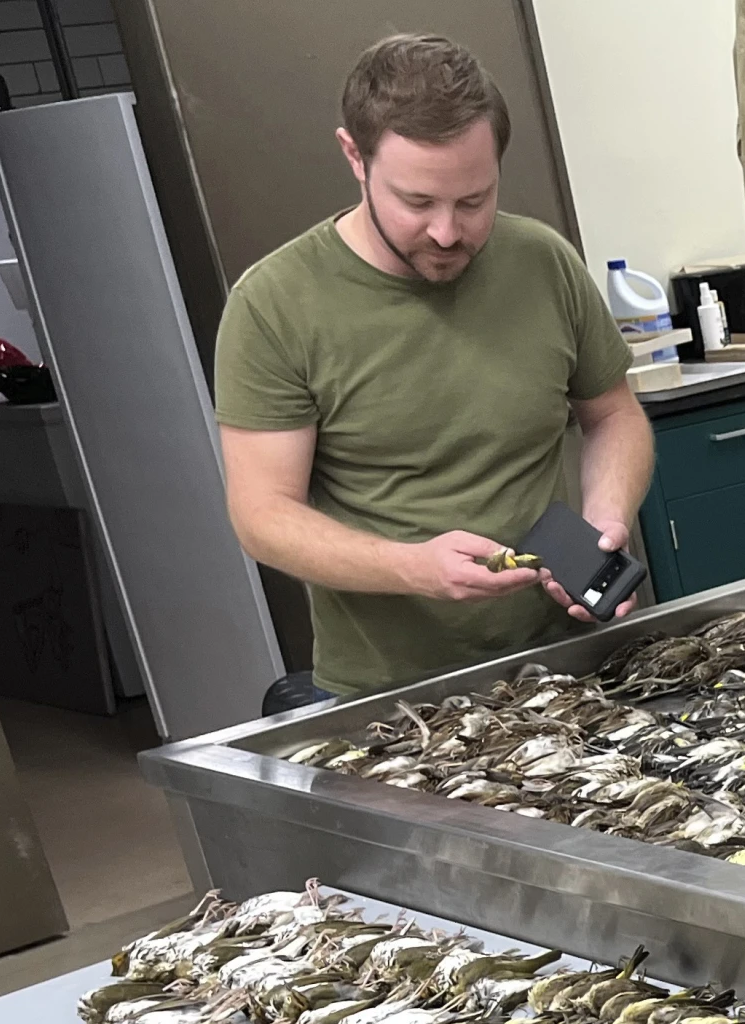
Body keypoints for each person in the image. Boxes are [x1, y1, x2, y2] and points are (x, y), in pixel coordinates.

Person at [214, 33, 654, 702]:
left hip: (571, 660)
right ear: (353, 156)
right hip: (392, 692)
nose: (448, 233)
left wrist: (603, 523)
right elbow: (262, 514)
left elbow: (614, 415)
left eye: (474, 201)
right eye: (417, 202)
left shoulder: (544, 261)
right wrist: (410, 568)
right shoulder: (274, 304)